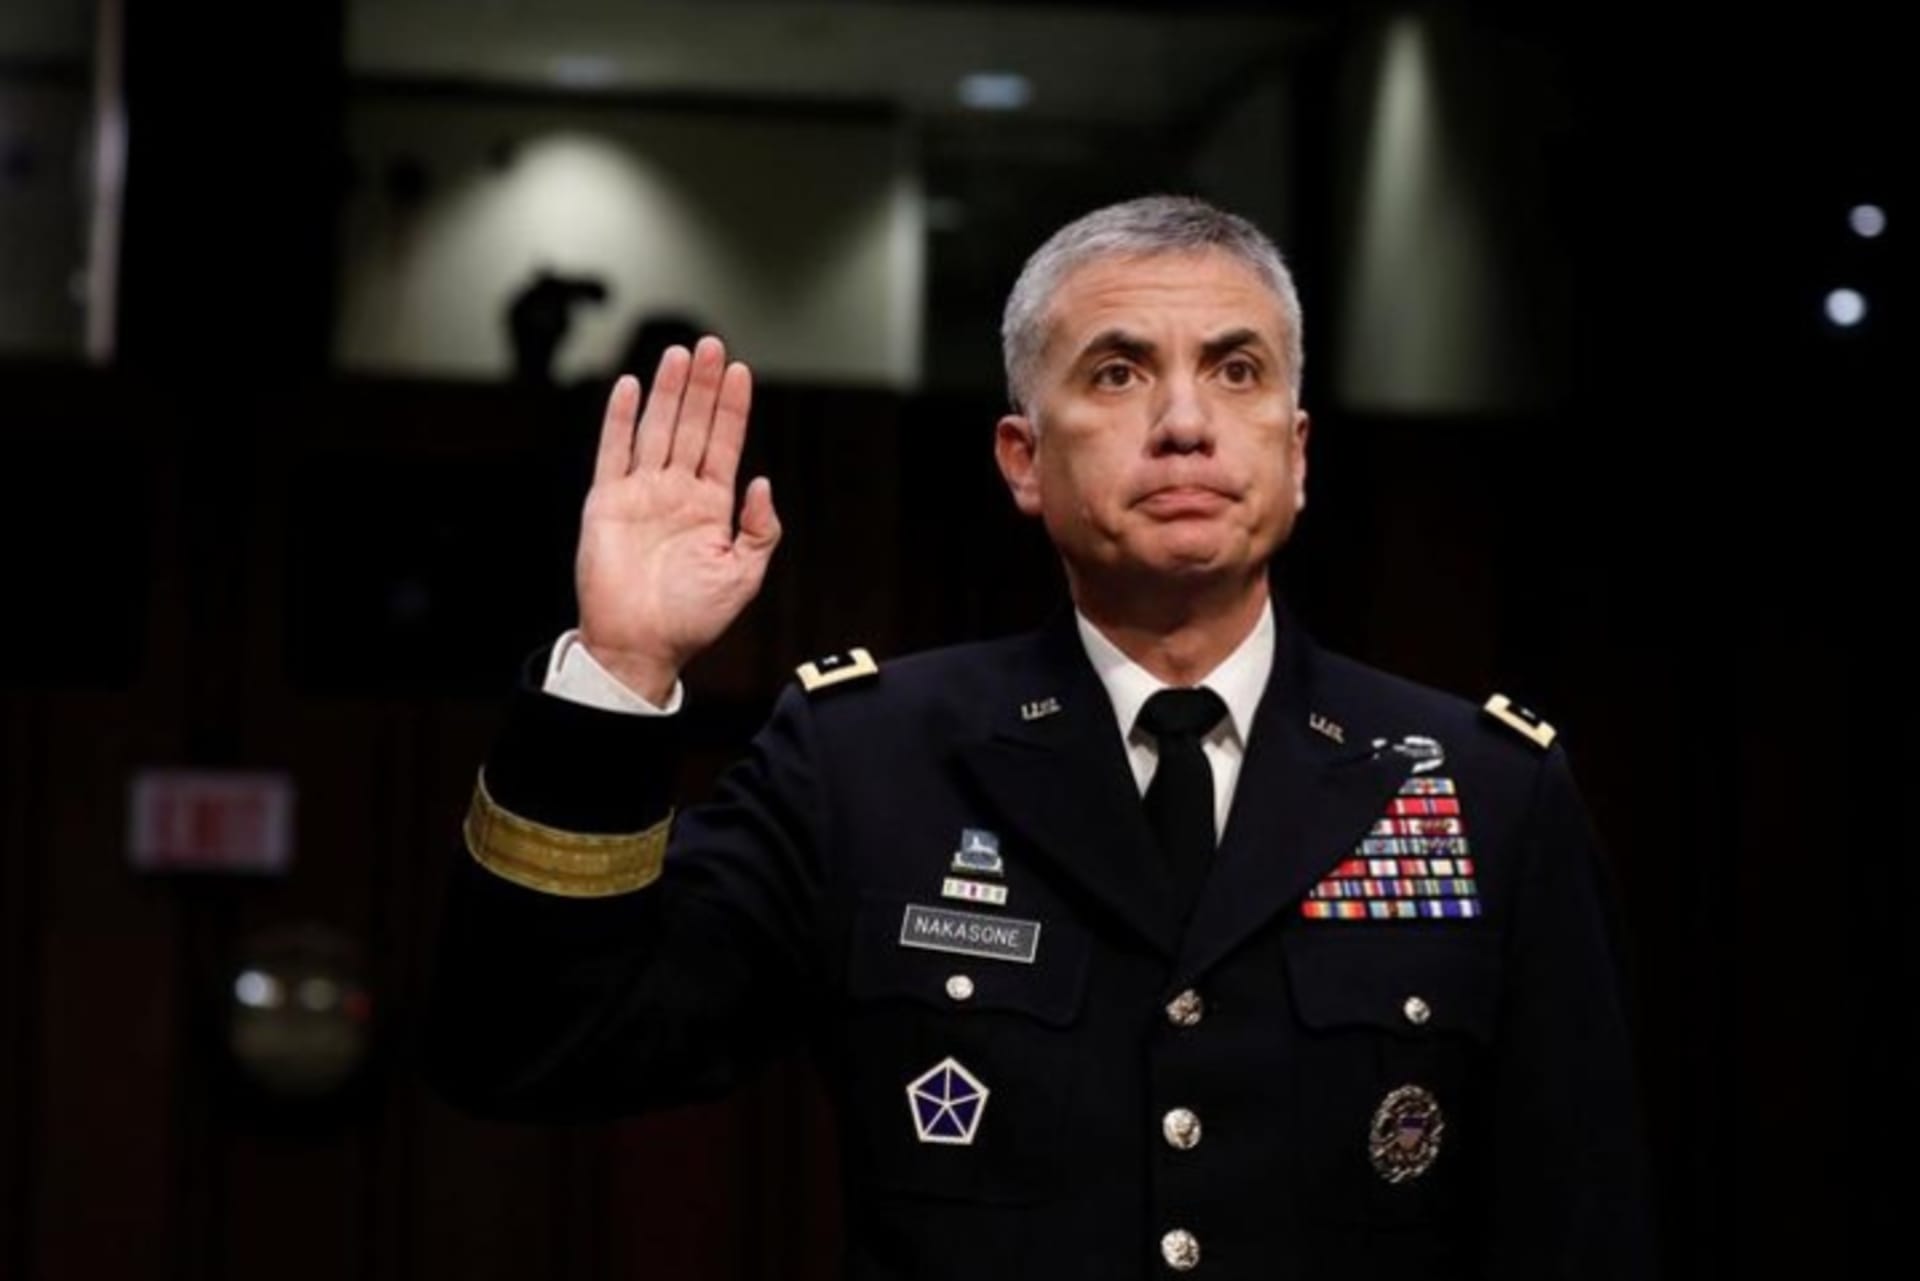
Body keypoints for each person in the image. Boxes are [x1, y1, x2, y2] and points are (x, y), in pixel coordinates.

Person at [425, 195, 1656, 1279]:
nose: (1185, 421)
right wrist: (622, 669)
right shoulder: (870, 761)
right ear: (1023, 459)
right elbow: (531, 1050)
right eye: (1118, 374)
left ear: (1296, 454)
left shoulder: (1487, 790)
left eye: (1237, 371)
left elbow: (1582, 1228)